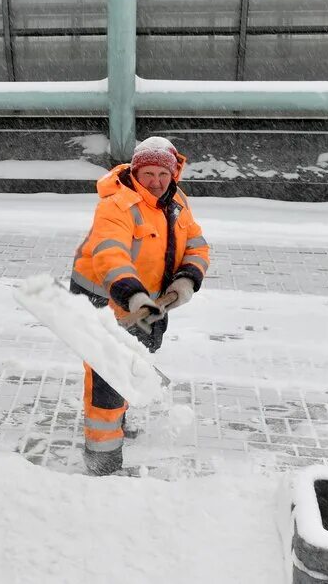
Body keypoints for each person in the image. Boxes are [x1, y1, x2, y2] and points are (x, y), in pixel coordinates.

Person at [69, 136, 210, 475]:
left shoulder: (177, 202)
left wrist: (186, 280)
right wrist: (132, 294)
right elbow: (110, 254)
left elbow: (197, 245)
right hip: (104, 297)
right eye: (148, 173)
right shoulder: (118, 205)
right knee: (107, 376)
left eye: (163, 173)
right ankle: (102, 455)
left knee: (133, 362)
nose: (156, 181)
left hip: (150, 301)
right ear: (135, 172)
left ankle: (119, 415)